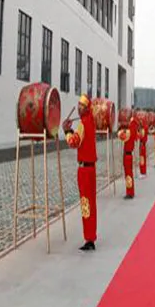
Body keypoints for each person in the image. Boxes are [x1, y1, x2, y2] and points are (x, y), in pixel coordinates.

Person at [64, 94, 98, 251]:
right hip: (91, 168)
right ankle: (91, 235)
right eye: (78, 105)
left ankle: (89, 239)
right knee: (91, 202)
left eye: (81, 106)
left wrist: (66, 131)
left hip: (84, 170)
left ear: (87, 109)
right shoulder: (90, 122)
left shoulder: (83, 124)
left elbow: (74, 142)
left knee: (86, 203)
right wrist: (72, 129)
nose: (78, 109)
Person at [118, 114, 138, 199]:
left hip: (127, 156)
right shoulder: (133, 130)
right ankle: (131, 191)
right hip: (129, 155)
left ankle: (129, 192)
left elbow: (120, 135)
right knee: (129, 173)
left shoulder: (129, 132)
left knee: (128, 174)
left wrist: (120, 128)